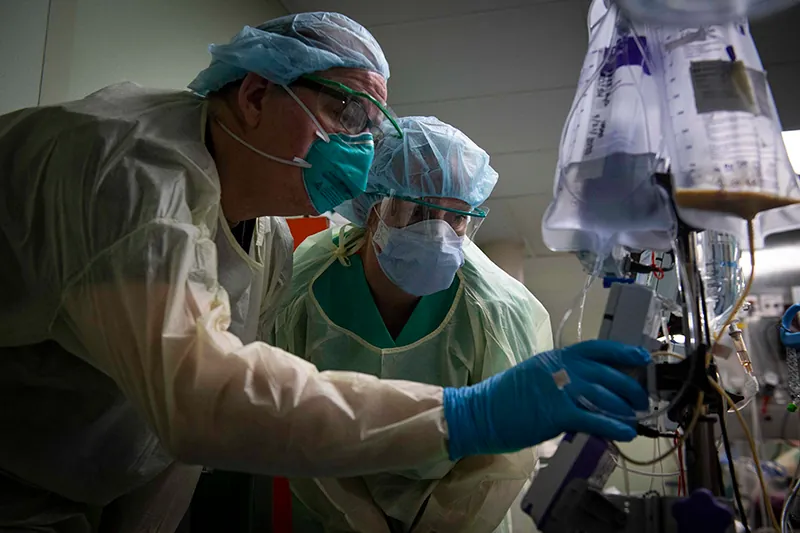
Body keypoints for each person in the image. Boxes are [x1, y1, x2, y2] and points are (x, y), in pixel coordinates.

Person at [0, 10, 651, 533]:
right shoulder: (131, 179)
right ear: (256, 93)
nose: (365, 150)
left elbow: (186, 436)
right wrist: (465, 413)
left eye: (375, 128)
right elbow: (200, 399)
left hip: (73, 482)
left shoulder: (269, 243)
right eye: (349, 115)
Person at [272, 116, 553, 533]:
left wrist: (440, 524)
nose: (438, 234)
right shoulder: (301, 288)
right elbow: (294, 423)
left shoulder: (496, 308)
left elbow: (503, 455)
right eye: (418, 211)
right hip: (330, 502)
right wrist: (356, 517)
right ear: (371, 208)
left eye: (456, 219)